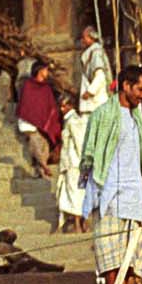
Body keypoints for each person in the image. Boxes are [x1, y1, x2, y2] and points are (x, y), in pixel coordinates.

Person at [80, 65, 142, 284]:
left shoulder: (138, 117)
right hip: (110, 193)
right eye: (140, 89)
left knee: (132, 255)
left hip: (134, 194)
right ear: (126, 86)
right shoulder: (103, 114)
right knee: (110, 254)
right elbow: (91, 153)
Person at [15, 58, 61, 178]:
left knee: (45, 145)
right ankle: (43, 166)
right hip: (29, 123)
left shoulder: (46, 88)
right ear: (40, 71)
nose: (47, 72)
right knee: (35, 142)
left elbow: (50, 106)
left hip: (42, 124)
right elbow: (27, 106)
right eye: (45, 70)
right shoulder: (28, 86)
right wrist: (36, 118)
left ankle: (40, 169)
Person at [54, 97, 88, 233]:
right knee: (74, 193)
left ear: (70, 106)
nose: (62, 109)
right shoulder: (70, 120)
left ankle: (79, 224)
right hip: (70, 163)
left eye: (64, 106)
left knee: (76, 193)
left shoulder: (73, 121)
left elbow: (79, 143)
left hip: (74, 163)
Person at [75, 25, 111, 115]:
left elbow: (100, 76)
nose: (82, 40)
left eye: (84, 37)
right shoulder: (90, 52)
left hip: (96, 101)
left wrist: (90, 91)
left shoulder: (96, 52)